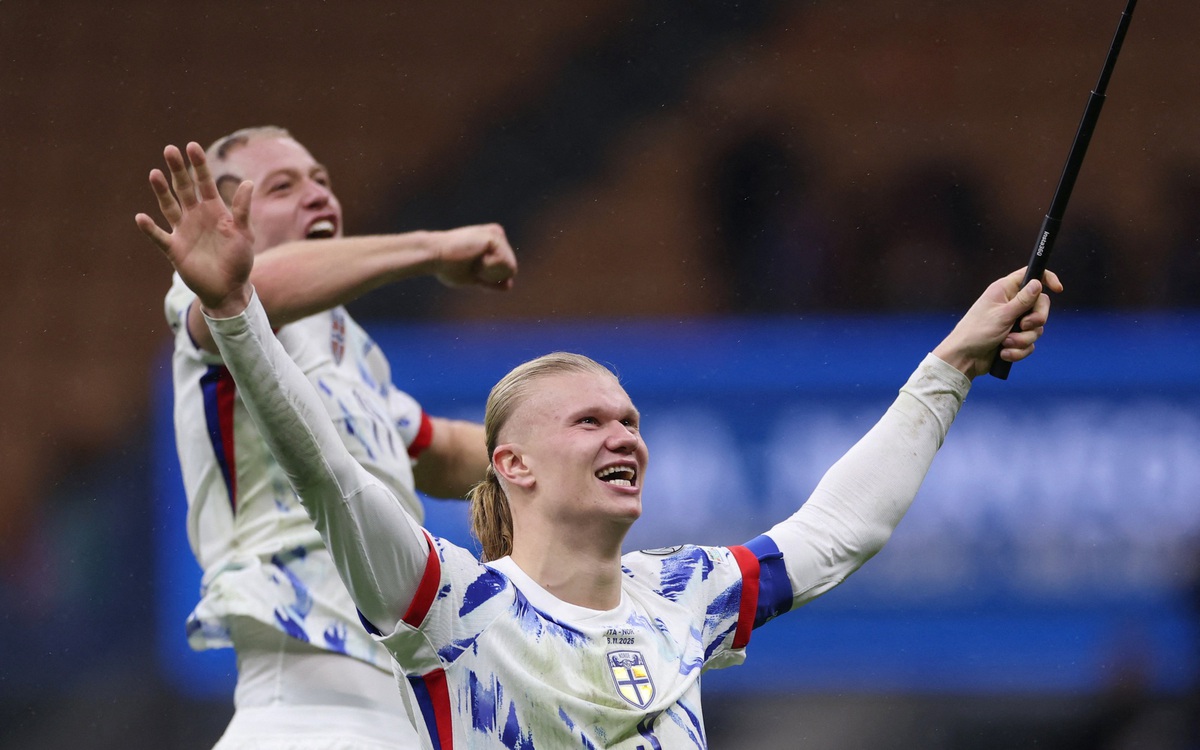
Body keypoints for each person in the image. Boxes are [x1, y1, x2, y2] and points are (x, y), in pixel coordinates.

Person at [146, 139, 1062, 748]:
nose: (625, 434)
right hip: (301, 711)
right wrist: (234, 308)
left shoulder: (683, 596)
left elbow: (837, 530)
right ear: (516, 466)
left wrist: (951, 362)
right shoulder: (453, 603)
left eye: (629, 420)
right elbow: (327, 472)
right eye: (589, 421)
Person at [136, 130, 517, 749]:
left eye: (321, 180)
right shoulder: (207, 290)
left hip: (401, 709)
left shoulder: (351, 348)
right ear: (227, 217)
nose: (317, 195)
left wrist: (556, 453)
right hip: (300, 711)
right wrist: (433, 247)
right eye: (283, 186)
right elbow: (247, 293)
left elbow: (442, 451)